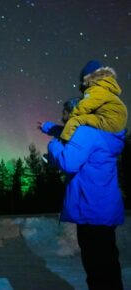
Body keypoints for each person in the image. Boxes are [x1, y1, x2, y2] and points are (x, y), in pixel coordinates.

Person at [40, 97, 126, 290]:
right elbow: (70, 134)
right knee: (107, 267)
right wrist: (49, 127)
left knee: (98, 270)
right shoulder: (96, 131)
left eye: (65, 113)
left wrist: (53, 145)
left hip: (92, 212)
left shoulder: (86, 133)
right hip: (100, 210)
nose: (63, 117)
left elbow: (68, 161)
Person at [60, 60, 128, 141]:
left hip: (109, 120)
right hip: (117, 121)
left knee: (74, 121)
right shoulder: (105, 87)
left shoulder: (96, 88)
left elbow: (85, 106)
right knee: (85, 121)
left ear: (88, 78)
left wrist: (71, 116)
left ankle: (65, 143)